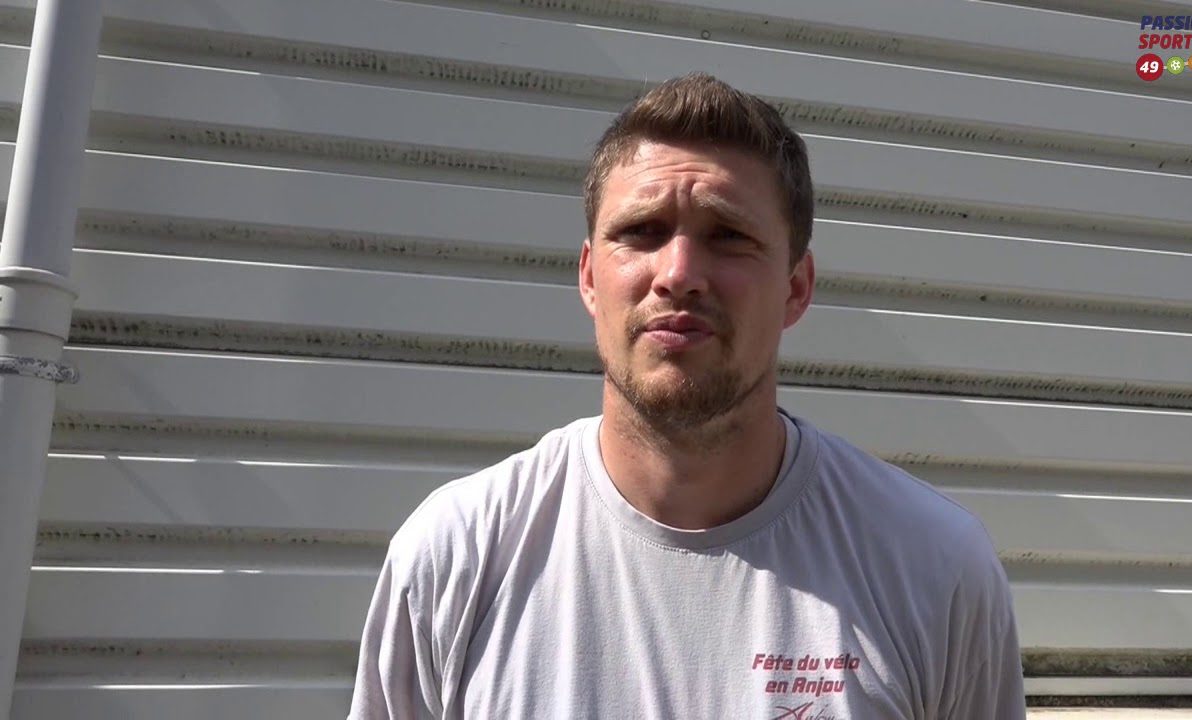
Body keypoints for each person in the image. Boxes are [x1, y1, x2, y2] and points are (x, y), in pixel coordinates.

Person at [349, 73, 1025, 719]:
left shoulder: (933, 566)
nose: (678, 273)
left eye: (728, 236)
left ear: (796, 288)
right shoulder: (455, 557)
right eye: (641, 231)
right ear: (589, 277)